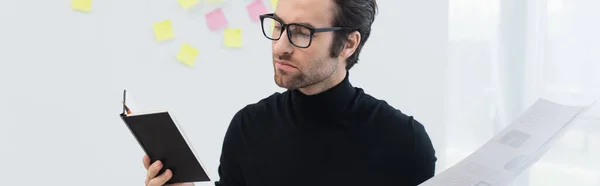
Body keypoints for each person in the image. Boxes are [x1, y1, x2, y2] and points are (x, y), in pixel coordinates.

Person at [142, 0, 437, 185]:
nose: (281, 45)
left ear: (348, 44)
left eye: (301, 32)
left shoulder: (405, 142)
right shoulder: (248, 127)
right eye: (279, 26)